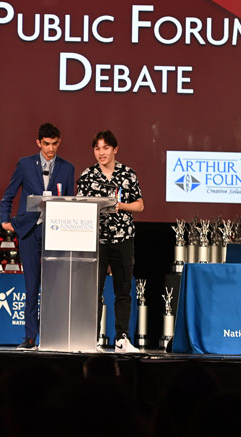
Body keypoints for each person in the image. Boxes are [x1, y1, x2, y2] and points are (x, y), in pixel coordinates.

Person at [0, 123, 75, 350]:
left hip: (55, 231)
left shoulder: (67, 168)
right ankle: (30, 337)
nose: (51, 149)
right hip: (29, 231)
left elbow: (70, 201)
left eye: (54, 144)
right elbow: (9, 194)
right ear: (38, 143)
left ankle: (54, 336)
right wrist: (5, 220)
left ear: (59, 142)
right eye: (46, 144)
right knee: (31, 286)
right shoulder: (24, 164)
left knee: (54, 286)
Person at [76, 130, 143, 353]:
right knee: (94, 291)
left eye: (105, 148)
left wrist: (119, 206)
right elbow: (79, 205)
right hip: (96, 239)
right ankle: (91, 338)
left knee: (123, 290)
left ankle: (122, 339)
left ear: (115, 149)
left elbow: (140, 205)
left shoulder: (128, 174)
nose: (101, 153)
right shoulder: (87, 175)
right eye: (97, 148)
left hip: (123, 238)